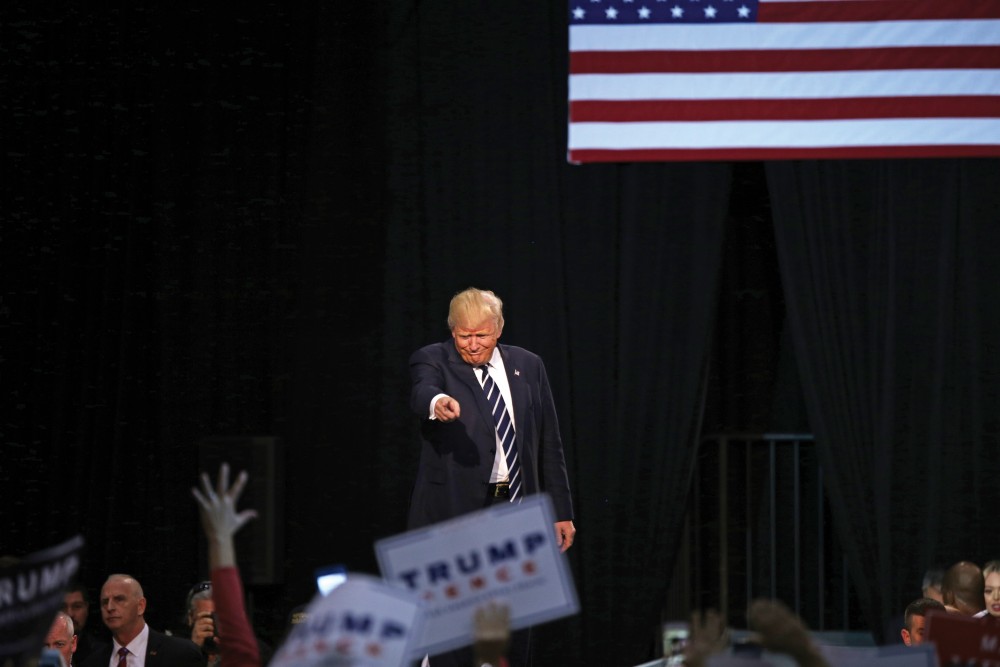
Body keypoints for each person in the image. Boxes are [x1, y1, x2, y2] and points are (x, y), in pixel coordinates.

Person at [407, 287, 576, 666]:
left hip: (516, 507)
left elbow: (549, 442)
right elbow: (422, 391)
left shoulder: (528, 365)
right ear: (452, 331)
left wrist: (561, 510)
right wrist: (437, 403)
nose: (471, 344)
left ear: (498, 328)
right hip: (455, 511)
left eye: (481, 335)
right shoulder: (433, 359)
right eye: (463, 335)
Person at [191, 464, 261, 667]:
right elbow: (241, 649)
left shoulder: (251, 653)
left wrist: (220, 538)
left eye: (217, 617)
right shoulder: (173, 652)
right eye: (209, 617)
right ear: (189, 618)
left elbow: (239, 647)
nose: (214, 625)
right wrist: (192, 650)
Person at [79, 574, 204, 667]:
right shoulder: (91, 663)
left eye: (119, 599)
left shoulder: (181, 654)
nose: (110, 607)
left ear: (141, 606)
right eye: (105, 602)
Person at [61, 586, 105, 665]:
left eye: (77, 606)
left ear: (87, 608)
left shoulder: (103, 653)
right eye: (63, 607)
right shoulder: (39, 649)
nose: (70, 614)